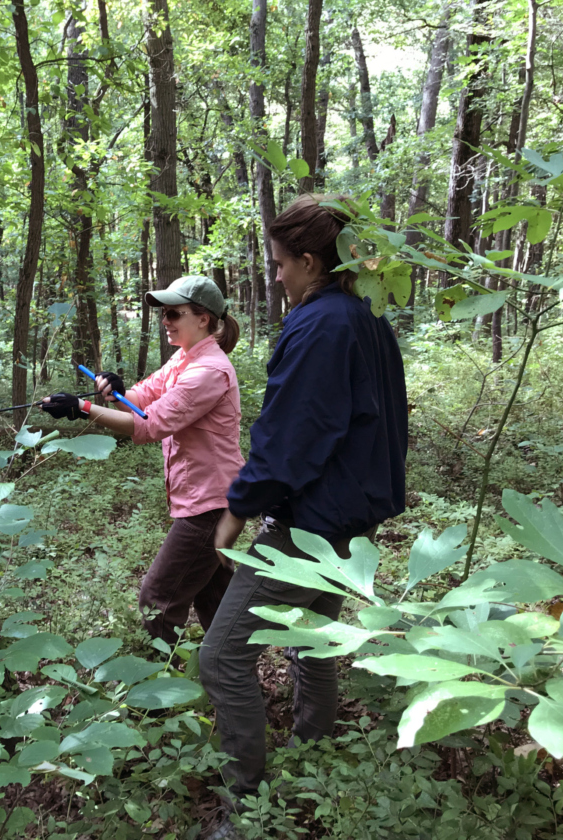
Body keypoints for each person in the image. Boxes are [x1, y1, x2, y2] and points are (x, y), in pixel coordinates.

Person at [199, 196, 408, 840]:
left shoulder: (320, 326)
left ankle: (246, 809)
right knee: (313, 637)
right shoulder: (366, 318)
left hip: (313, 521)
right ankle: (315, 751)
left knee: (221, 657)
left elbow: (292, 435)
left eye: (281, 264)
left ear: (312, 262)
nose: (277, 276)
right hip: (353, 518)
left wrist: (240, 506)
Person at [41, 276, 243, 648]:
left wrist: (82, 408)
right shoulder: (185, 358)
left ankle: (158, 679)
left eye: (174, 314)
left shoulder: (208, 371)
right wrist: (117, 390)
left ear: (203, 319)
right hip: (204, 498)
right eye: (164, 314)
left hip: (210, 505)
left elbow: (148, 425)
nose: (165, 320)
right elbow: (142, 397)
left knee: (158, 599)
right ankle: (231, 671)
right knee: (215, 600)